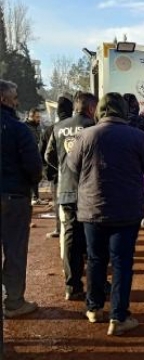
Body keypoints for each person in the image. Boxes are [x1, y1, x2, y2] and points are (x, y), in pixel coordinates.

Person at [67, 92, 144, 336]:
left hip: (92, 210)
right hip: (126, 211)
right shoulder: (137, 136)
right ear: (122, 110)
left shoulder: (86, 135)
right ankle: (119, 317)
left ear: (100, 111)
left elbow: (72, 167)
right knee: (122, 263)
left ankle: (93, 308)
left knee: (96, 260)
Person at [46, 92, 98, 300]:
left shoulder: (58, 127)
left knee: (69, 238)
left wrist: (65, 170)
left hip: (66, 189)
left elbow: (48, 156)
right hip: (89, 191)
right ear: (91, 108)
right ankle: (97, 285)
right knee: (92, 238)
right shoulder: (93, 127)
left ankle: (72, 286)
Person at [0, 79, 43, 318]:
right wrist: (30, 184)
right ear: (4, 99)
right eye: (14, 97)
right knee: (14, 251)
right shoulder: (18, 129)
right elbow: (34, 166)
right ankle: (14, 302)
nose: (16, 101)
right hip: (14, 198)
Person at [43, 96, 74, 239]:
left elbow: (44, 153)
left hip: (58, 175)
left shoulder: (52, 129)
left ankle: (59, 229)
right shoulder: (81, 126)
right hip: (77, 175)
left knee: (59, 204)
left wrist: (51, 172)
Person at [23, 108, 47, 205]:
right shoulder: (24, 127)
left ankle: (35, 197)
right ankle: (29, 198)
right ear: (31, 117)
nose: (39, 119)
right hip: (27, 156)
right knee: (28, 178)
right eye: (37, 117)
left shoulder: (37, 127)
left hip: (35, 155)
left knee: (35, 177)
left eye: (39, 117)